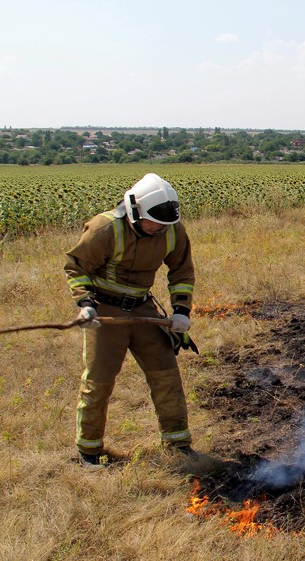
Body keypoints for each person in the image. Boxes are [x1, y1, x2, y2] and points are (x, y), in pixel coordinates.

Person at [64, 173, 196, 468]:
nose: (159, 229)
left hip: (143, 309)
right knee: (98, 381)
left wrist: (181, 311)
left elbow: (182, 271)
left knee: (166, 376)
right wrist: (86, 304)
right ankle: (89, 451)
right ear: (135, 211)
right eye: (153, 223)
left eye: (164, 225)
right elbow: (76, 267)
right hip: (106, 313)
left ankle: (178, 444)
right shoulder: (105, 229)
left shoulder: (172, 229)